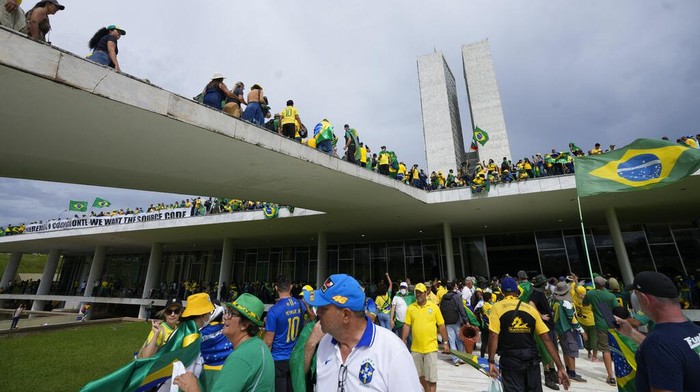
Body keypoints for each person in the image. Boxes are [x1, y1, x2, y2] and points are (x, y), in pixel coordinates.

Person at [304, 274, 422, 391]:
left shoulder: (393, 352)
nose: (317, 312)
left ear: (346, 315)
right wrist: (310, 344)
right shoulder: (325, 342)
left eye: (323, 308)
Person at [615, 271, 700, 392]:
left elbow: (664, 349)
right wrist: (632, 333)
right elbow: (673, 351)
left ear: (644, 299)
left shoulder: (658, 344)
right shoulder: (694, 330)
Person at [174, 293, 274, 392]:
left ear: (244, 324)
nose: (225, 317)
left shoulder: (240, 358)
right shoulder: (258, 346)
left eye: (232, 314)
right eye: (227, 312)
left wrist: (191, 387)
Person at [487, 277, 570, 392]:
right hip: (531, 360)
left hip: (510, 361)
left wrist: (491, 361)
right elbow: (547, 340)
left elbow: (493, 335)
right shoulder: (530, 309)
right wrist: (560, 367)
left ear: (502, 291)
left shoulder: (497, 308)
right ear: (517, 291)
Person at [402, 282, 450, 392]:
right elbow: (406, 325)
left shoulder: (434, 307)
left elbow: (441, 325)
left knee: (431, 378)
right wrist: (403, 341)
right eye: (416, 293)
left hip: (430, 348)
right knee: (419, 376)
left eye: (420, 293)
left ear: (426, 293)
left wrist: (445, 342)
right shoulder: (411, 308)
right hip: (416, 349)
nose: (418, 295)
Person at [264, 275, 306, 392]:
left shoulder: (274, 311)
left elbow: (268, 342)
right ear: (291, 287)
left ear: (276, 288)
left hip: (278, 358)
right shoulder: (300, 304)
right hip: (294, 356)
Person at [583, 276, 618, 385]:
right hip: (612, 323)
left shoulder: (590, 294)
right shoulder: (610, 295)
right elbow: (616, 309)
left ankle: (611, 376)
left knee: (605, 350)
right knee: (616, 349)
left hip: (600, 325)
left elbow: (585, 304)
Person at [551, 282, 587, 383]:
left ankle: (568, 370)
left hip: (560, 329)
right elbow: (572, 318)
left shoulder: (554, 301)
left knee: (566, 350)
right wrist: (581, 331)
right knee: (571, 351)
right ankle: (572, 373)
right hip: (568, 329)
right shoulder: (566, 303)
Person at [440, 281, 469, 366]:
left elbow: (441, 309)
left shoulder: (443, 297)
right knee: (459, 340)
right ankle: (461, 357)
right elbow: (461, 309)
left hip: (448, 321)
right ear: (454, 287)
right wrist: (466, 320)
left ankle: (455, 360)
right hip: (456, 321)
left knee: (452, 341)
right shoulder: (456, 296)